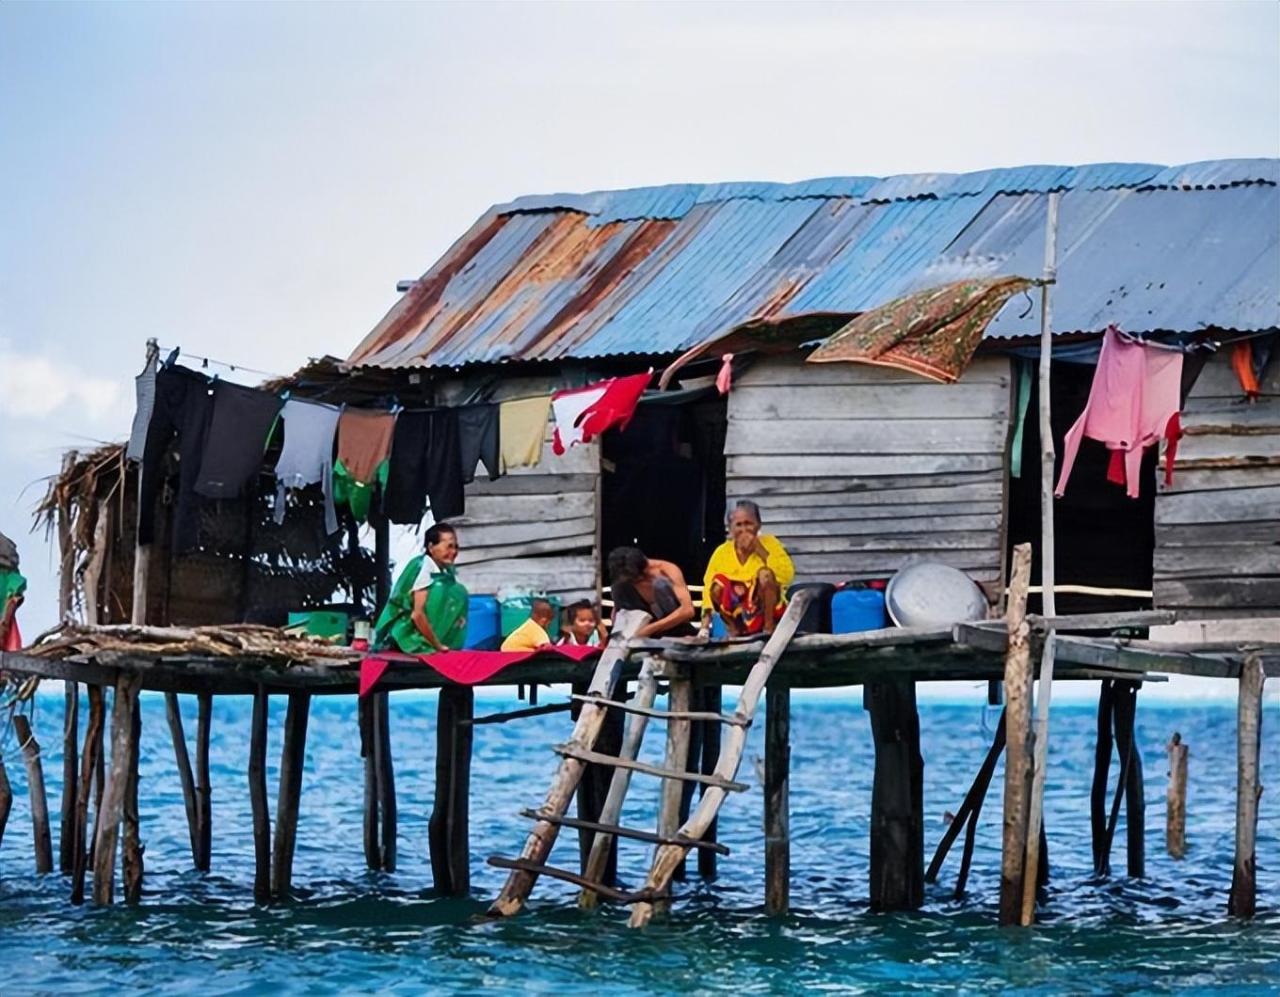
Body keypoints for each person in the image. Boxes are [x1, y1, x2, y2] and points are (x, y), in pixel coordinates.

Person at [700, 500, 795, 637]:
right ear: (731, 528)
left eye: (748, 523)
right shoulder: (722, 552)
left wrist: (760, 550)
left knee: (765, 574)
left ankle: (768, 629)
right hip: (737, 614)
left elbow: (786, 576)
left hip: (767, 610)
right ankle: (734, 630)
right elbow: (709, 589)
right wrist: (704, 628)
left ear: (758, 525)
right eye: (738, 525)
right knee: (717, 584)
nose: (744, 530)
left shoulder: (770, 543)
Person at [373, 523, 468, 654]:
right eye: (449, 547)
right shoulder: (423, 568)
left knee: (457, 590)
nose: (453, 552)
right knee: (441, 589)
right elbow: (417, 615)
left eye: (456, 547)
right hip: (408, 637)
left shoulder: (445, 573)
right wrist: (437, 646)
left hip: (435, 641)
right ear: (431, 547)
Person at [607, 546, 695, 638]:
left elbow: (688, 610)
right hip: (635, 635)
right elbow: (618, 611)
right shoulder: (622, 583)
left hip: (676, 631)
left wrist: (649, 629)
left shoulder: (667, 571)